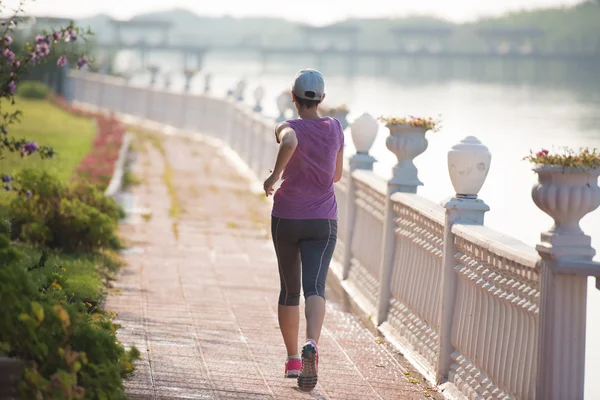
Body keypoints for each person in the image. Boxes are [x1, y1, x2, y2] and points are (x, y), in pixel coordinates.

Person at [263, 69, 344, 392]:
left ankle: (294, 359)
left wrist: (274, 178)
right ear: (322, 99)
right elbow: (336, 176)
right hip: (323, 220)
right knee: (315, 287)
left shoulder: (287, 126)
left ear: (293, 98)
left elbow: (291, 140)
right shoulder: (335, 127)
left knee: (289, 289)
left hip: (287, 217)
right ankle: (312, 342)